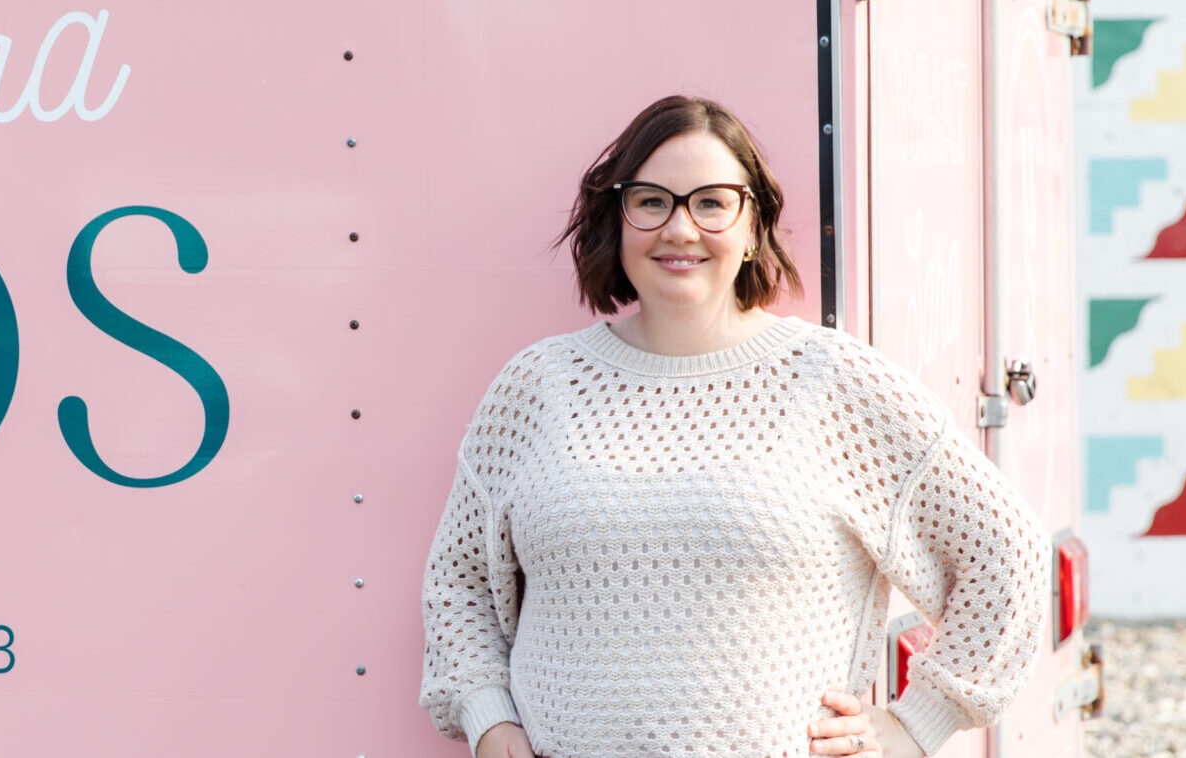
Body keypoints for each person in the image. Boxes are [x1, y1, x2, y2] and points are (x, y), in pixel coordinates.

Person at [417, 95, 1050, 757]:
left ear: (752, 227)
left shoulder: (832, 380)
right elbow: (458, 580)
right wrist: (488, 718)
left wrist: (916, 722)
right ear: (619, 217)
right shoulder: (537, 385)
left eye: (712, 202)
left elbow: (1006, 550)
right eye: (652, 201)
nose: (681, 229)